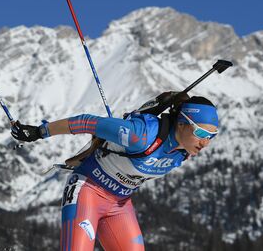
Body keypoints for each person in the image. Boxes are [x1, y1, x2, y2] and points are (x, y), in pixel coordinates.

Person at [11, 95, 219, 251]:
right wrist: (39, 132)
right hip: (87, 191)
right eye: (201, 132)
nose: (205, 142)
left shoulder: (183, 152)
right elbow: (86, 122)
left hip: (119, 204)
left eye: (212, 135)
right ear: (181, 123)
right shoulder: (140, 135)